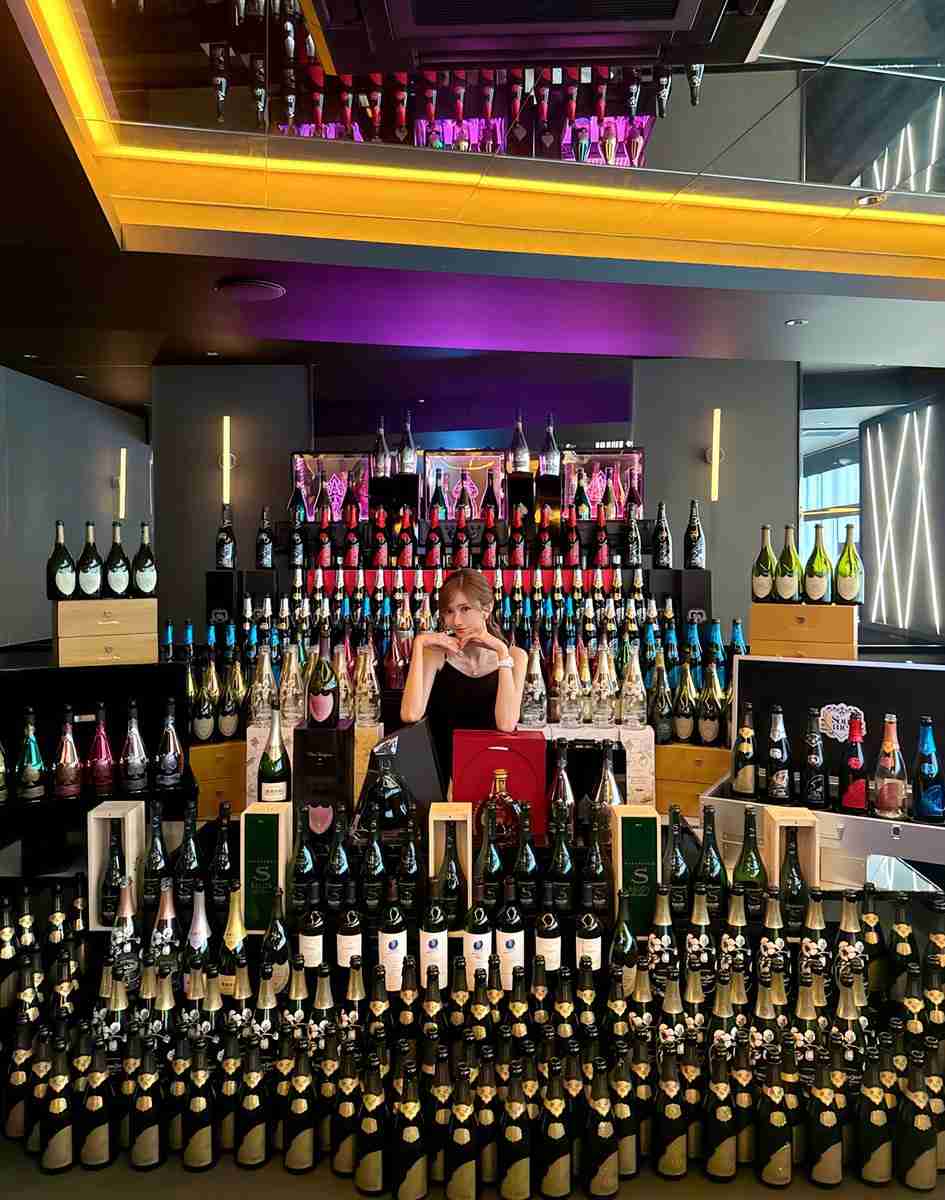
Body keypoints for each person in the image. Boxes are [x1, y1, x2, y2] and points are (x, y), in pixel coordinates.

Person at [400, 568, 527, 782]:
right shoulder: (435, 654)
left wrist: (501, 651)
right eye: (449, 611)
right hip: (439, 775)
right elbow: (410, 714)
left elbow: (505, 724)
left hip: (492, 773)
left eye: (465, 609)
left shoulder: (515, 656)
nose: (457, 621)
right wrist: (420, 643)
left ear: (487, 608)